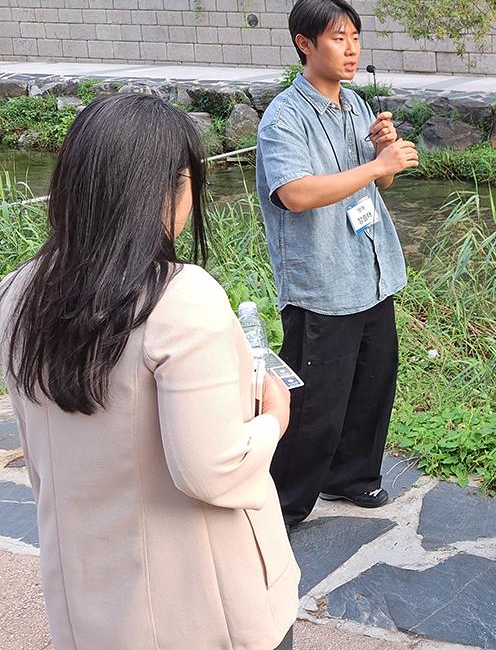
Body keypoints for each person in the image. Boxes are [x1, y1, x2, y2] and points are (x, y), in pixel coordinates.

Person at [0, 94, 300, 650]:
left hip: (85, 597)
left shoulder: (19, 292)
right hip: (199, 610)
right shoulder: (180, 299)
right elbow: (210, 470)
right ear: (171, 187)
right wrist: (273, 418)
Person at [256, 0, 420, 528]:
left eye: (355, 38)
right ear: (306, 44)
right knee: (313, 404)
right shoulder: (284, 118)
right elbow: (296, 193)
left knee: (372, 384)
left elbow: (382, 185)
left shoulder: (357, 106)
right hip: (322, 281)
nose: (350, 50)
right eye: (338, 39)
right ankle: (281, 503)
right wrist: (377, 167)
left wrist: (382, 156)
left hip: (371, 272)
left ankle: (351, 478)